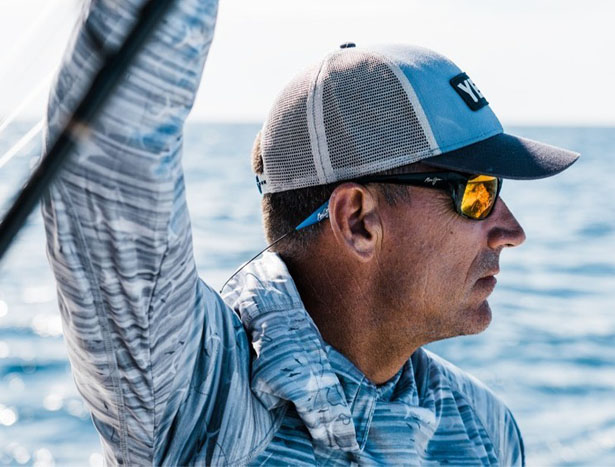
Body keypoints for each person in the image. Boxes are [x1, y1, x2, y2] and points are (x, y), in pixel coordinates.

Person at [41, 0, 578, 465]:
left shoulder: (486, 430)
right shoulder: (194, 394)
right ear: (358, 221)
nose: (511, 230)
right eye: (476, 192)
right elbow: (107, 156)